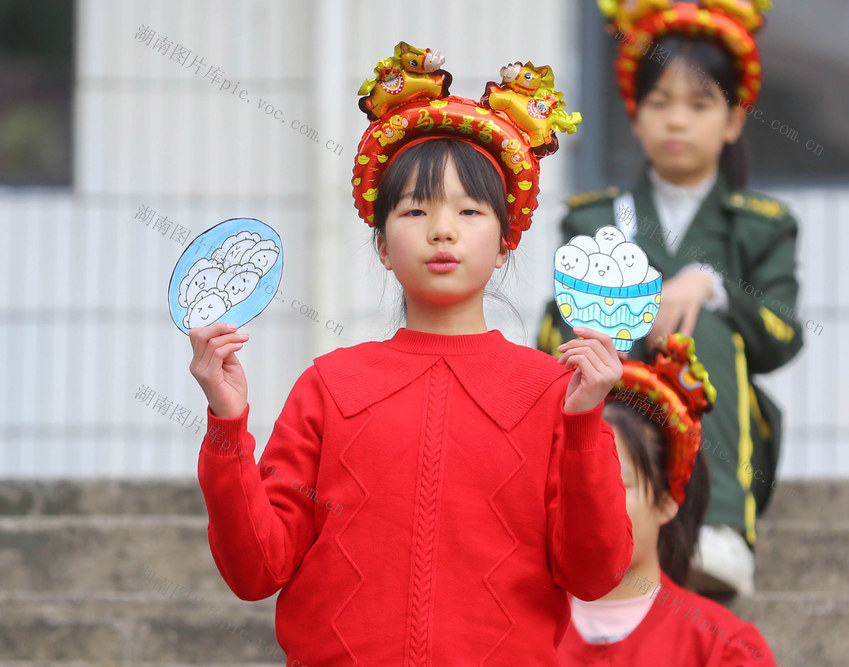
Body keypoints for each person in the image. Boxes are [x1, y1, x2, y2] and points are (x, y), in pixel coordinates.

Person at [187, 42, 632, 665]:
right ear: (381, 244)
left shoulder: (552, 391)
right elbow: (256, 570)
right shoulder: (330, 385)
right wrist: (228, 426)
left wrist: (586, 425)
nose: (441, 230)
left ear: (506, 242)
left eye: (469, 211)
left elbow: (595, 572)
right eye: (415, 209)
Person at [538, 1, 804, 596]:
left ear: (734, 120)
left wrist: (713, 288)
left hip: (722, 425)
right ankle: (602, 519)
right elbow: (552, 336)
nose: (676, 121)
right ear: (635, 115)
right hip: (618, 408)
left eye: (699, 103)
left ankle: (720, 527)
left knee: (702, 330)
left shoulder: (761, 225)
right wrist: (631, 302)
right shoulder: (595, 218)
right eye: (659, 103)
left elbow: (782, 334)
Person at [557, 334, 778, 665]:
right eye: (575, 478)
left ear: (666, 502)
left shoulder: (724, 648)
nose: (590, 498)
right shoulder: (521, 629)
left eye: (616, 483)